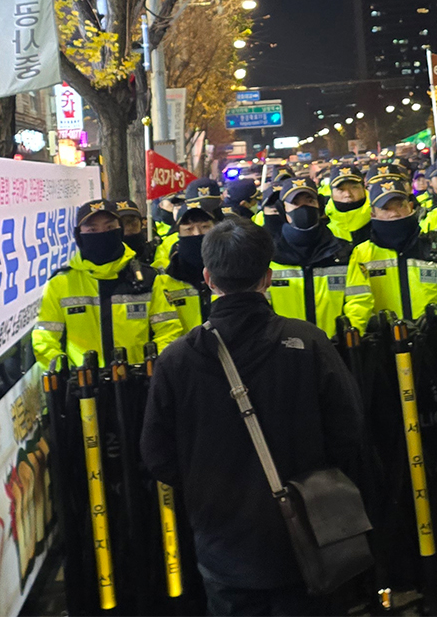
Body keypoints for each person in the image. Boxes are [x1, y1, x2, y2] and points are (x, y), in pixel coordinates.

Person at [141, 218, 365, 616]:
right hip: (307, 532)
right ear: (268, 276)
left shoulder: (176, 359)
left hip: (221, 541)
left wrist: (204, 489)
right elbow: (348, 431)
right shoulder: (308, 341)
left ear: (208, 278)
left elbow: (157, 454)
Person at [31, 199, 157, 368]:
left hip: (141, 379)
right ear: (79, 235)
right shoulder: (60, 283)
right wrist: (67, 373)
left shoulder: (148, 278)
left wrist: (156, 369)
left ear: (119, 230)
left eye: (109, 228)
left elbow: (168, 330)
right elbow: (44, 340)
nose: (102, 234)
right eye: (92, 230)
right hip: (82, 381)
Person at [342, 174, 437, 328]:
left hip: (433, 333)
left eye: (400, 205)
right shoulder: (362, 253)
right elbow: (358, 301)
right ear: (372, 214)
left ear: (411, 206)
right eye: (385, 208)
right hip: (385, 337)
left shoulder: (434, 246)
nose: (394, 213)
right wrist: (357, 331)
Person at [267, 177, 358, 334]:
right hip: (286, 345)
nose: (304, 208)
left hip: (335, 344)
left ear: (319, 205)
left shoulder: (343, 252)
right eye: (295, 203)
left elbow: (358, 300)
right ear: (283, 209)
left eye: (310, 201)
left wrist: (348, 336)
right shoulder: (269, 256)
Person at [151, 192, 221, 352]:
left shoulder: (231, 272)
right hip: (184, 359)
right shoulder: (165, 279)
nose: (197, 234)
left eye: (204, 227)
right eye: (189, 229)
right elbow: (165, 332)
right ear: (179, 233)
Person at [323, 167, 374, 246]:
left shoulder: (381, 219)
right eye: (341, 189)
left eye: (354, 188)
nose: (348, 194)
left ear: (364, 188)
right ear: (332, 193)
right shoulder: (323, 228)